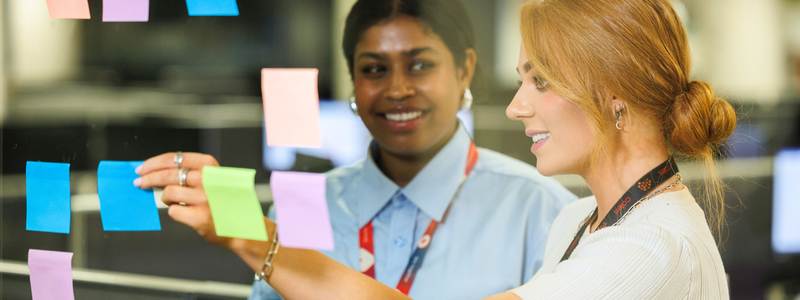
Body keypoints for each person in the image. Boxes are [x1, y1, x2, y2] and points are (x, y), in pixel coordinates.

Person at [138, 0, 735, 298]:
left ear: (616, 97)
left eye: (541, 82)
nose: (516, 106)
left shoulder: (649, 250)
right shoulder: (584, 220)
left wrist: (246, 232)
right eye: (371, 69)